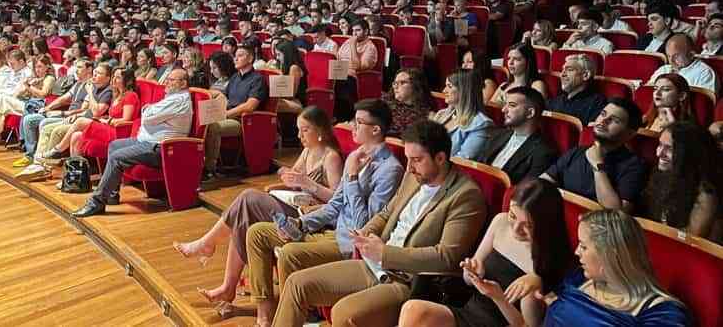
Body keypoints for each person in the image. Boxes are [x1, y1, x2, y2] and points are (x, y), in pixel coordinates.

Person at [272, 118, 487, 327]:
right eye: (408, 159)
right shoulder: (414, 176)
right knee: (296, 284)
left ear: (440, 158)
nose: (409, 167)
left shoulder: (466, 196)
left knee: (345, 313)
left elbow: (446, 257)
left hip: (409, 280)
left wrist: (385, 253)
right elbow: (387, 212)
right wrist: (365, 233)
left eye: (417, 160)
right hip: (375, 263)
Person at [243, 98, 404, 326]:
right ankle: (266, 312)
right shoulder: (357, 157)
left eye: (358, 123)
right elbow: (334, 205)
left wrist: (351, 178)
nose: (352, 128)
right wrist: (301, 223)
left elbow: (365, 225)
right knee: (257, 233)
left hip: (350, 243)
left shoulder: (390, 170)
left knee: (289, 252)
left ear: (376, 129)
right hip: (332, 230)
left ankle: (299, 315)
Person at [174, 106, 343, 315]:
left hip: (310, 218)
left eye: (304, 130)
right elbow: (294, 179)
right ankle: (228, 286)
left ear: (321, 131)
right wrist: (281, 182)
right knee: (243, 218)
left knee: (247, 198)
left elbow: (337, 200)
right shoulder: (308, 151)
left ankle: (207, 246)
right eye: (298, 130)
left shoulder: (331, 157)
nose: (299, 135)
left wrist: (309, 184)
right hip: (295, 205)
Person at [397, 179, 575, 327]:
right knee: (412, 309)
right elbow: (468, 279)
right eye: (513, 216)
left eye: (527, 225)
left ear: (545, 224)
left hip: (505, 322)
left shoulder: (551, 259)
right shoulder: (500, 222)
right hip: (470, 311)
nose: (515, 229)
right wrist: (472, 272)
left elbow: (527, 325)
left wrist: (499, 298)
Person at [72, 68, 193, 217]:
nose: (167, 82)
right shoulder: (172, 97)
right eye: (167, 79)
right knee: (114, 145)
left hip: (160, 147)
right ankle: (112, 194)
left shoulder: (179, 100)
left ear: (183, 83)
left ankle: (96, 203)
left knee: (117, 157)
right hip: (146, 141)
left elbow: (148, 116)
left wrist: (149, 111)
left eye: (172, 80)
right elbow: (149, 114)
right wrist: (149, 111)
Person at [543, 209, 690, 325]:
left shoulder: (664, 314)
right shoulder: (579, 278)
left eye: (583, 246)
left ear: (610, 255)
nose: (576, 252)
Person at [542, 98, 646, 212]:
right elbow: (543, 183)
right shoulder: (577, 152)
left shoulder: (634, 166)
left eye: (615, 120)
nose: (603, 121)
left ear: (629, 134)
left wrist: (597, 165)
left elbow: (618, 213)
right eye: (603, 114)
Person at [642, 122, 722, 241]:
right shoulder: (664, 175)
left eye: (669, 148)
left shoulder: (706, 194)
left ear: (689, 154)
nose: (659, 153)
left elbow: (691, 240)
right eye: (660, 145)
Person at [14, 59, 96, 175]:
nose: (76, 70)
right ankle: (33, 158)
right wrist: (49, 108)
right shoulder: (78, 84)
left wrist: (60, 113)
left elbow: (84, 110)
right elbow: (63, 98)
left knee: (42, 123)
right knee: (29, 119)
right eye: (76, 67)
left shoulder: (91, 86)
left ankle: (43, 164)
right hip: (65, 115)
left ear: (89, 69)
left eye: (79, 67)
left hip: (71, 117)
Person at [203, 44, 267, 180]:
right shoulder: (235, 77)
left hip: (242, 120)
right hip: (228, 114)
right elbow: (224, 98)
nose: (235, 59)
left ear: (250, 59)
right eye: (235, 56)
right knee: (202, 120)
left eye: (240, 56)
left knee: (213, 126)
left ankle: (209, 169)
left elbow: (250, 106)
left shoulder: (257, 79)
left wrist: (225, 115)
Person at [0, 54, 55, 154]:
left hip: (36, 107)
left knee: (0, 102)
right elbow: (20, 93)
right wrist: (26, 87)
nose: (37, 69)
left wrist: (28, 87)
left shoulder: (49, 78)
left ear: (47, 67)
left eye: (40, 67)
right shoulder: (34, 78)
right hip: (26, 103)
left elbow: (43, 95)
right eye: (36, 67)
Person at [482, 87, 557, 185]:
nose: (504, 110)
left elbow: (525, 192)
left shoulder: (544, 152)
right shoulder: (497, 135)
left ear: (530, 113)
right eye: (505, 105)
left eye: (512, 105)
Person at [431, 69, 492, 160]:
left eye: (449, 86)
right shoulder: (441, 114)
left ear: (464, 90)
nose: (444, 90)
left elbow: (462, 162)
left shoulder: (481, 124)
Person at [545, 54, 607, 126]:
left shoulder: (597, 103)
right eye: (562, 70)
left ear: (586, 75)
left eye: (569, 70)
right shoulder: (555, 101)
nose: (562, 75)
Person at [335, 19, 379, 119]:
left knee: (342, 84)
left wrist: (353, 46)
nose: (354, 34)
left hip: (356, 77)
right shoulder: (347, 42)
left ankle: (347, 118)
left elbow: (357, 67)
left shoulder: (370, 47)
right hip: (340, 71)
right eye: (353, 31)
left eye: (358, 30)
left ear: (366, 31)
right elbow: (338, 58)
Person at [649, 33, 718, 96]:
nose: (671, 61)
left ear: (691, 55)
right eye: (669, 56)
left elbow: (704, 103)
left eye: (676, 56)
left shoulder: (704, 73)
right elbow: (648, 92)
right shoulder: (663, 69)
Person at [383, 68, 431, 137]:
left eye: (402, 83)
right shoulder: (385, 103)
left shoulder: (426, 114)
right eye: (395, 83)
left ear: (415, 86)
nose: (396, 86)